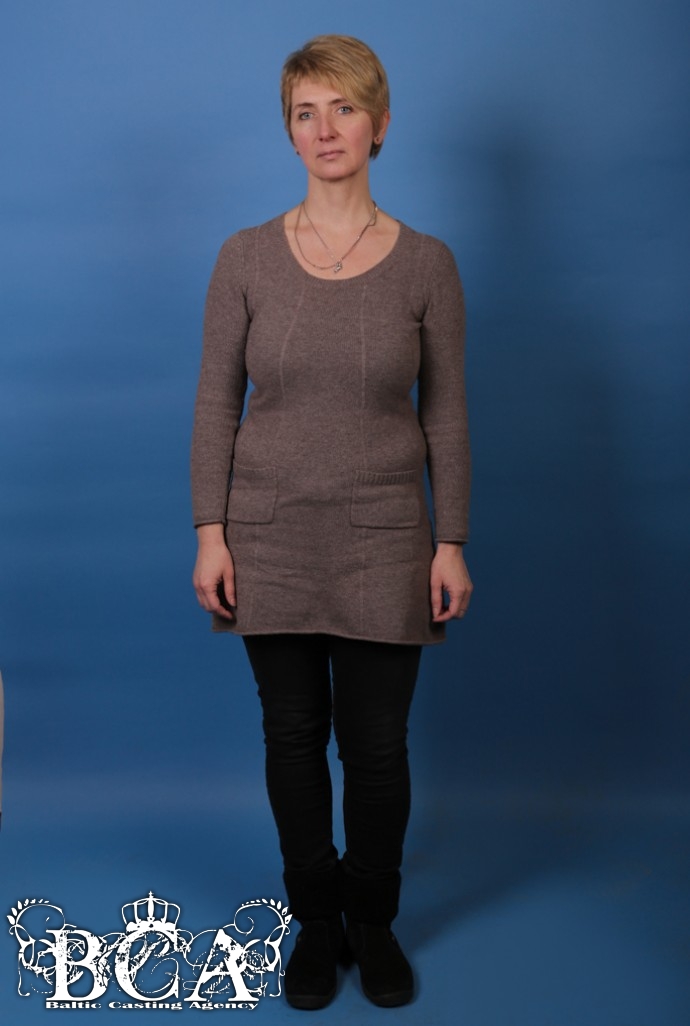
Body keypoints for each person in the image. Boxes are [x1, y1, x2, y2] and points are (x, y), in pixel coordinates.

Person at [191, 34, 472, 1010]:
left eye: (343, 109)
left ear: (379, 124)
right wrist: (211, 532)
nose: (325, 129)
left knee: (378, 748)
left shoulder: (428, 265)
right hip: (268, 535)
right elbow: (215, 404)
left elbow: (446, 414)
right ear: (289, 131)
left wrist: (450, 540)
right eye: (305, 112)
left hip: (387, 536)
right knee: (292, 736)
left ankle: (373, 921)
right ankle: (315, 923)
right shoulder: (244, 258)